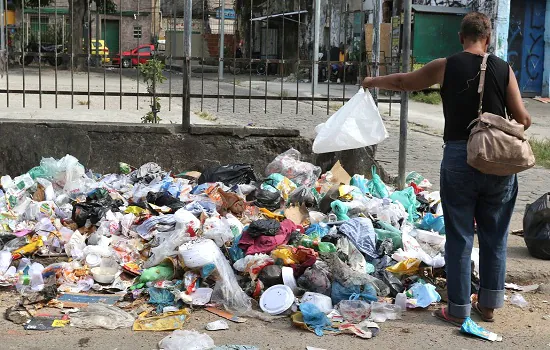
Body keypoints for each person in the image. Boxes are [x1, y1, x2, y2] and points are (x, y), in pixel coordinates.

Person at [362, 12, 531, 325]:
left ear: (460, 37)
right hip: (497, 161)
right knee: (495, 235)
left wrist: (372, 82)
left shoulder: (445, 65)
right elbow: (523, 118)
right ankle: (489, 305)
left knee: (459, 235)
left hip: (459, 157)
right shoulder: (503, 69)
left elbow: (404, 82)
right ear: (489, 37)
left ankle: (457, 309)